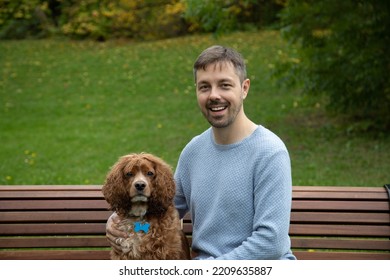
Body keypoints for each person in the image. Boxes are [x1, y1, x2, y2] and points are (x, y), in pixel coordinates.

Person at [106, 45, 296, 260]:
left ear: (244, 88)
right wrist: (118, 222)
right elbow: (159, 205)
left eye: (225, 85)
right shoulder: (194, 151)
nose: (214, 95)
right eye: (204, 87)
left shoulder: (269, 152)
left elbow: (271, 242)